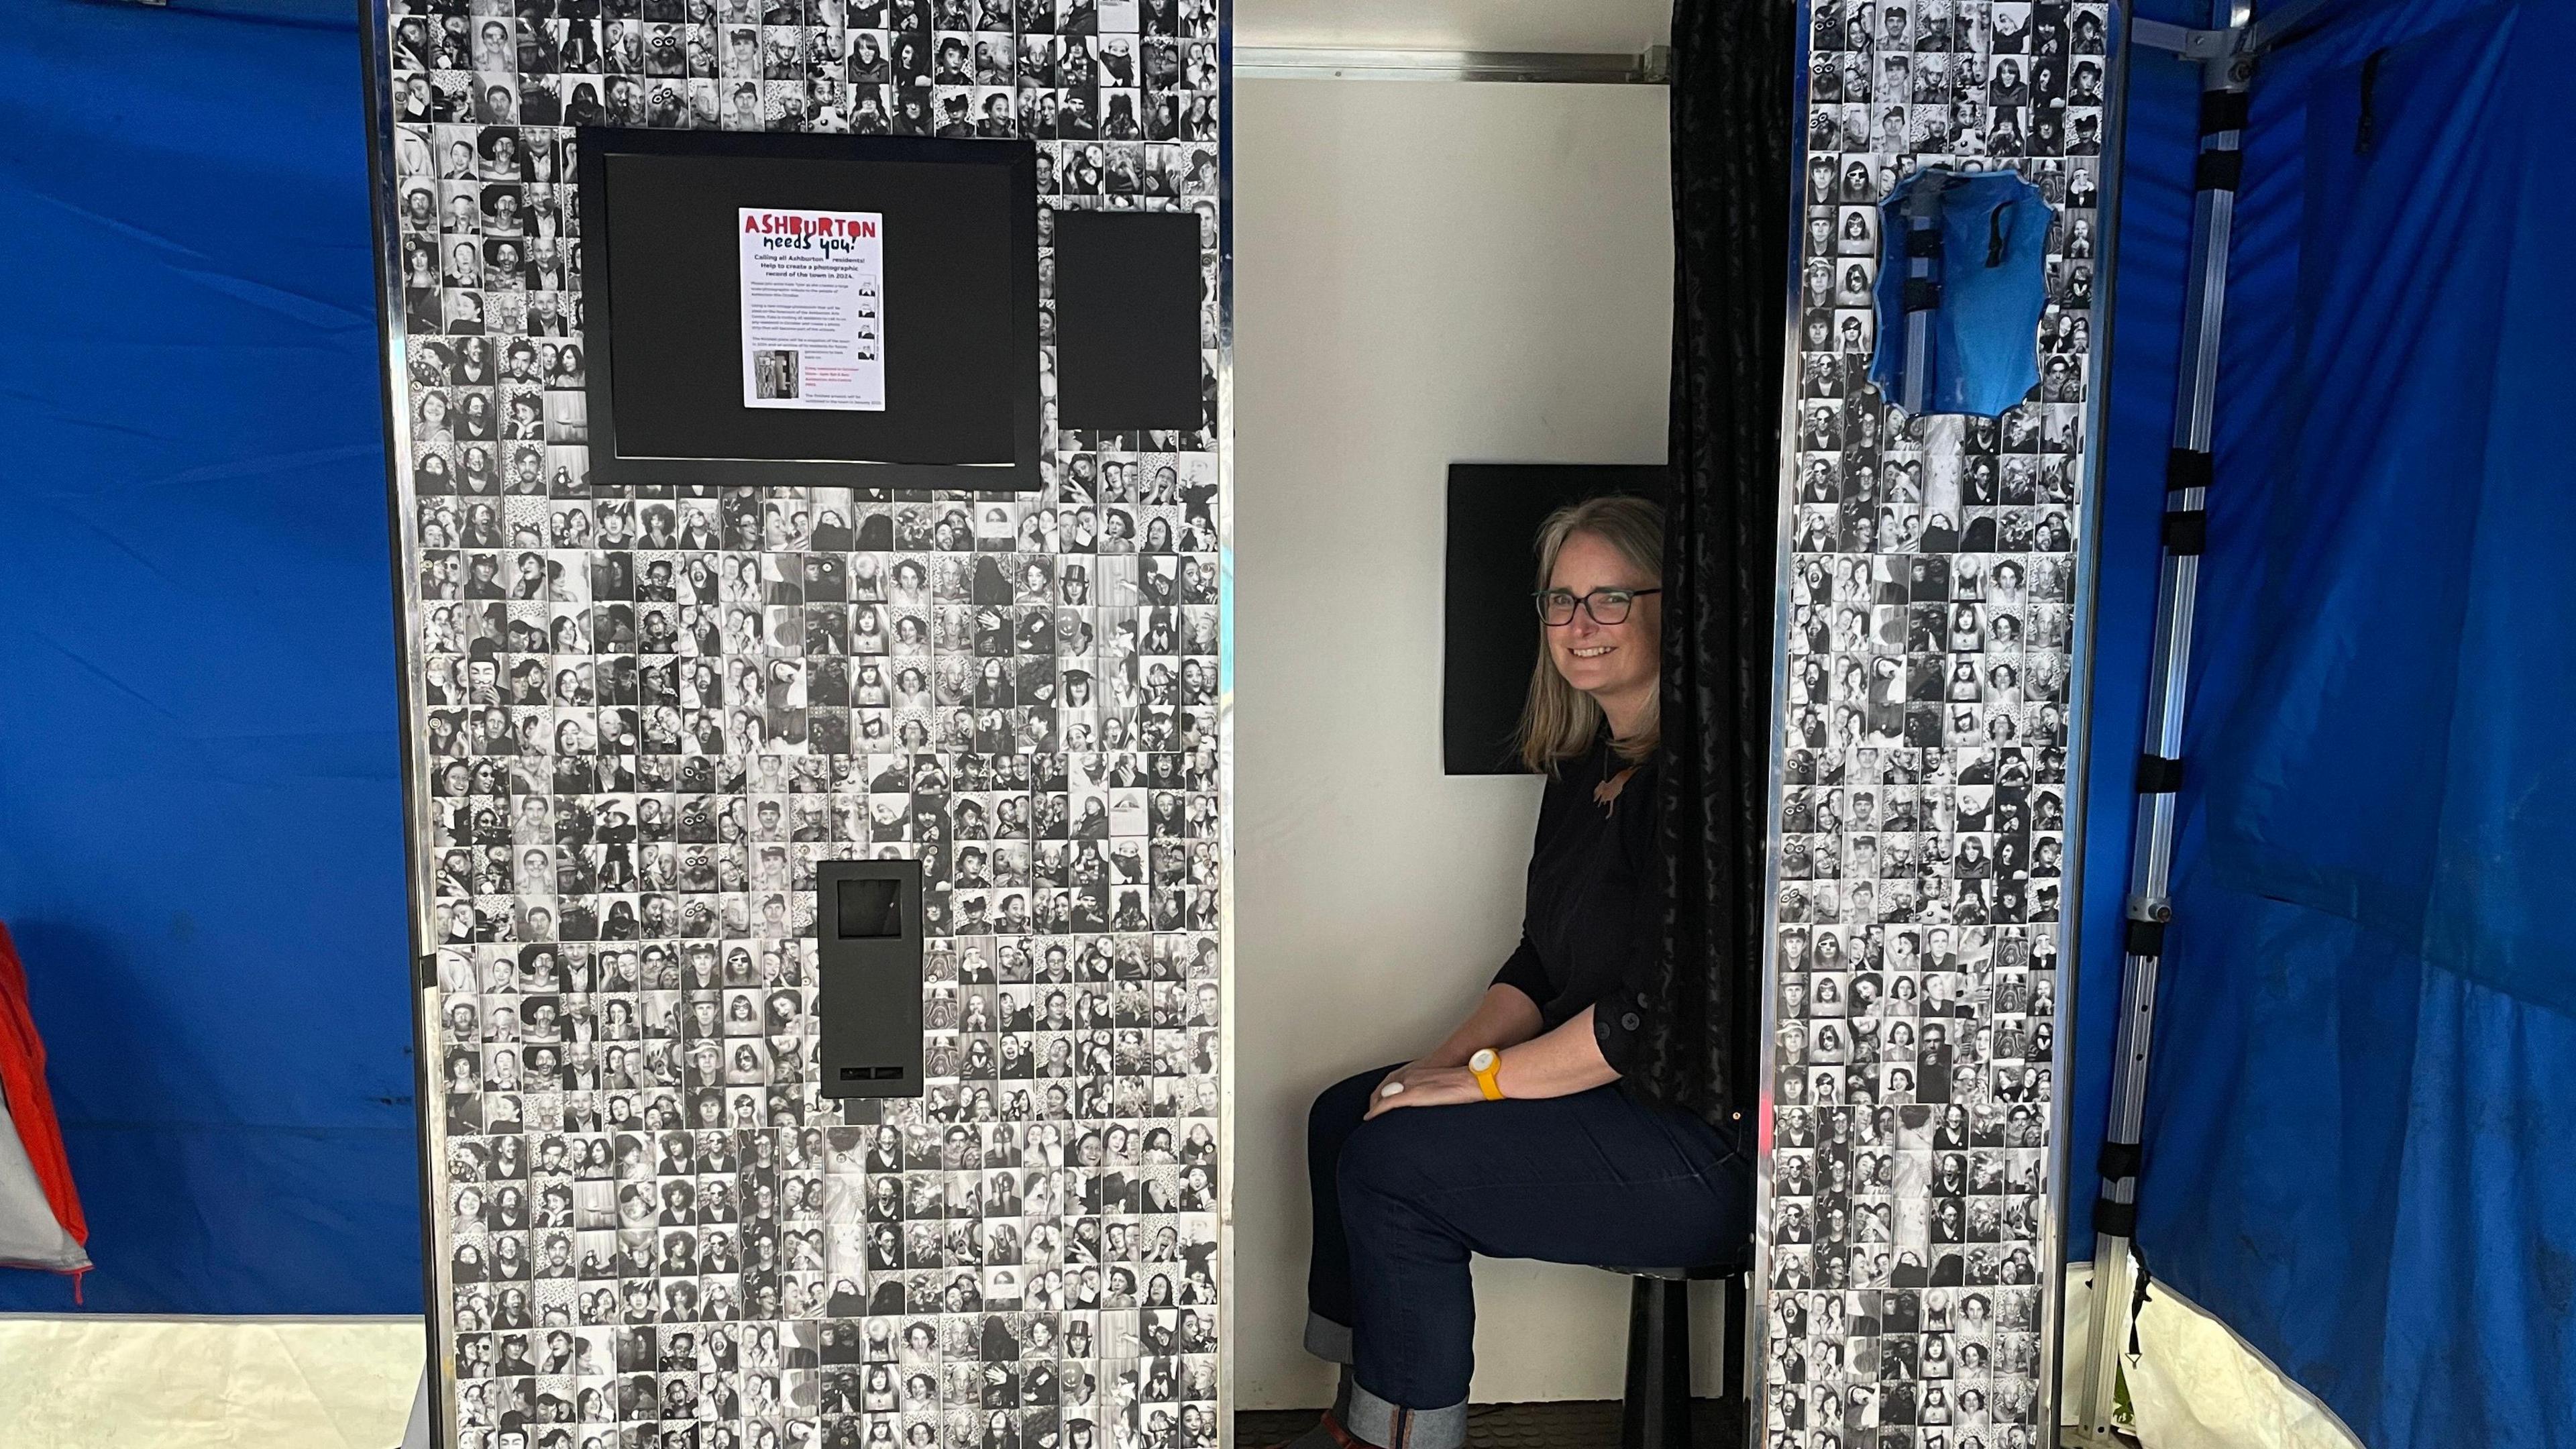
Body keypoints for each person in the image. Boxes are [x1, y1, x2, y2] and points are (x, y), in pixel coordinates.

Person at [1277, 496, 1751, 1449]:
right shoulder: (1586, 770)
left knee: (1395, 1165)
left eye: (1611, 598)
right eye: (1561, 599)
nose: (1579, 624)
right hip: (1605, 1102)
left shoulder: (1699, 789)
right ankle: (1357, 1414)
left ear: (1675, 607)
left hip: (1701, 1145)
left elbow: (1643, 1019)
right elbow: (1540, 960)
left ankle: (1403, 1438)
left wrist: (1476, 1085)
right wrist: (1433, 1068)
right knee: (1349, 1114)